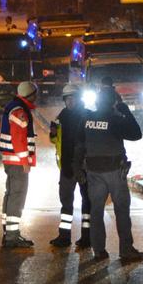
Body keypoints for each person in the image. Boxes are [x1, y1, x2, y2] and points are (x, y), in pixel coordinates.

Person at [73, 81, 143, 262]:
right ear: (112, 102)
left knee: (96, 211)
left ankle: (99, 251)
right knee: (121, 211)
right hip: (114, 173)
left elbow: (79, 145)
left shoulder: (86, 119)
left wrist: (76, 168)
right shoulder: (115, 120)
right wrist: (123, 107)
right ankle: (126, 250)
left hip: (93, 173)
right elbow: (136, 134)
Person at [48, 83, 91, 248]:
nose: (71, 102)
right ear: (65, 100)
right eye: (68, 99)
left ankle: (87, 237)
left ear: (79, 99)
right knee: (66, 202)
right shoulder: (62, 116)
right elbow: (55, 140)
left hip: (84, 167)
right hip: (66, 167)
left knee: (87, 201)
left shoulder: (87, 115)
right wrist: (52, 133)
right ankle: (64, 236)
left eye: (73, 98)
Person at [0, 81, 39, 249]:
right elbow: (18, 137)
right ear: (31, 95)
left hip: (11, 160)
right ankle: (12, 237)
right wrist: (25, 161)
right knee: (17, 196)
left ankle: (8, 232)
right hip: (17, 161)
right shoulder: (20, 110)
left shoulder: (14, 106)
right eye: (35, 94)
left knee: (10, 194)